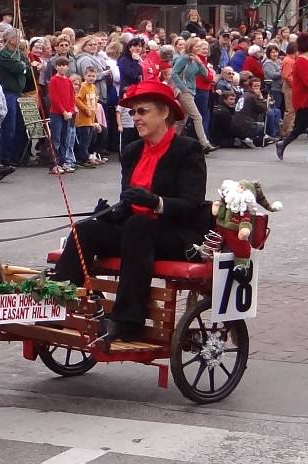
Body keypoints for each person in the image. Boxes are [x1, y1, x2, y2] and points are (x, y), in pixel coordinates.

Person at [52, 80, 208, 341]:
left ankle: (128, 321)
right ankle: (58, 304)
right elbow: (128, 202)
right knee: (86, 229)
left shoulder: (187, 150)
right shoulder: (132, 151)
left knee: (138, 227)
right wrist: (112, 212)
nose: (135, 118)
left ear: (165, 113)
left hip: (175, 233)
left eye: (142, 111)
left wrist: (155, 202)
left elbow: (192, 204)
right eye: (133, 112)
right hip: (137, 233)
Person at [276, 33, 308, 163]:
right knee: (300, 126)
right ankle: (283, 144)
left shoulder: (306, 62)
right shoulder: (301, 62)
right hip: (305, 99)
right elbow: (307, 82)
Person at [171, 38, 217, 154]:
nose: (198, 49)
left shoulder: (195, 59)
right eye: (196, 47)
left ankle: (170, 142)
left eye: (199, 47)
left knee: (181, 120)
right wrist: (183, 88)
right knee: (197, 117)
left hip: (191, 91)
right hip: (184, 92)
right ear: (190, 47)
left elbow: (205, 74)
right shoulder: (184, 58)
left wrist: (199, 62)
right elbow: (174, 73)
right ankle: (204, 143)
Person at [0, 28, 28, 166]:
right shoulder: (3, 54)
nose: (20, 39)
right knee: (10, 126)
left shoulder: (19, 53)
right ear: (10, 39)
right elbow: (19, 68)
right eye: (18, 37)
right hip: (8, 93)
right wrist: (23, 66)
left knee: (21, 126)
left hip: (19, 93)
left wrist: (23, 66)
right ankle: (6, 157)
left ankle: (18, 156)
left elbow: (26, 66)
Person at [48, 57, 76, 174]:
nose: (62, 67)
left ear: (67, 67)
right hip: (56, 113)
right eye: (59, 65)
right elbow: (54, 98)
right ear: (56, 67)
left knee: (65, 138)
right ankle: (54, 164)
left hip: (67, 114)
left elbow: (72, 97)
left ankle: (64, 161)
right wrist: (63, 111)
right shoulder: (53, 80)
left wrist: (70, 111)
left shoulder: (69, 81)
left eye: (64, 65)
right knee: (56, 139)